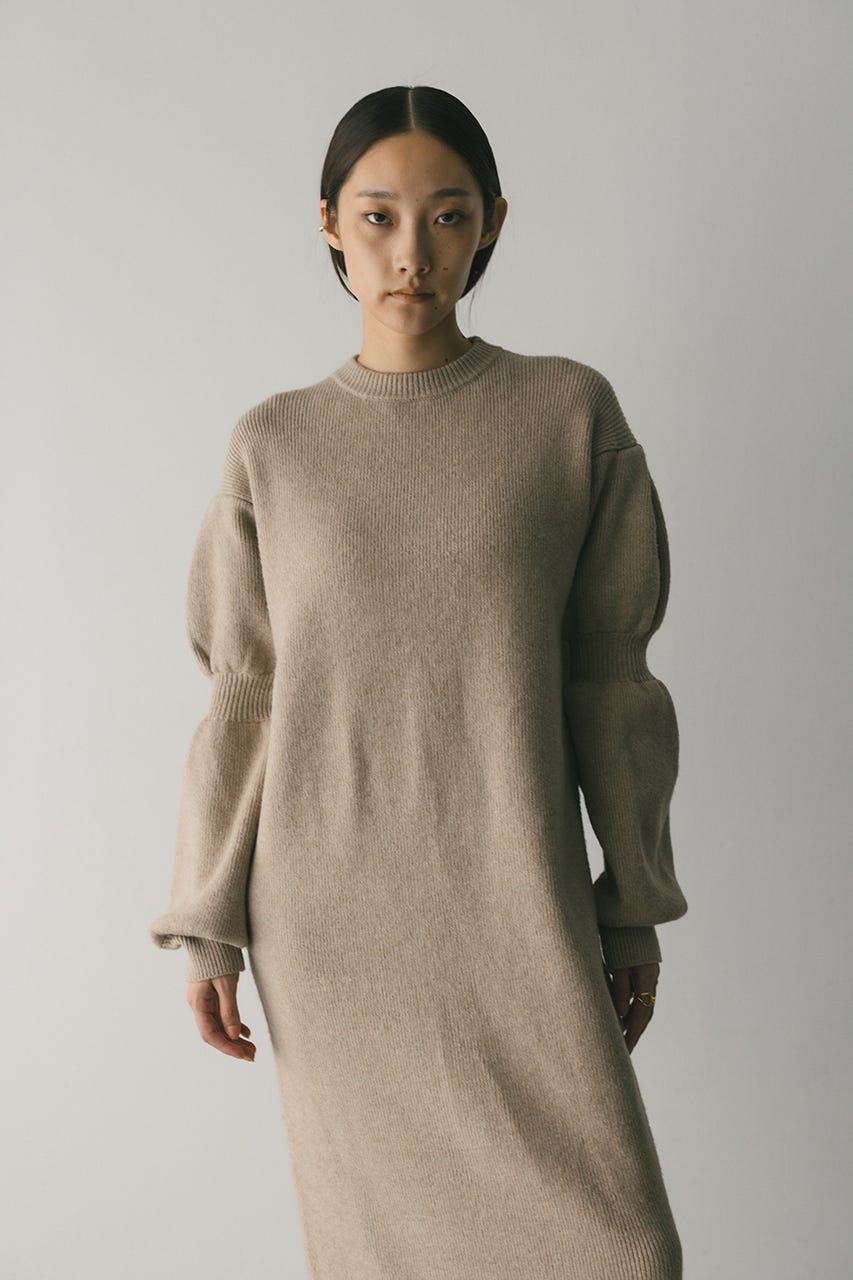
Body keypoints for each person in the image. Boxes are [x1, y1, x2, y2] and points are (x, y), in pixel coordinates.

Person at [150, 84, 688, 1280]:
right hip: (330, 920)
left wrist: (632, 896)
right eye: (379, 216)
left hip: (519, 897)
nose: (412, 252)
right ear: (329, 225)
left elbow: (611, 679)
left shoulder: (566, 415)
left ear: (491, 222)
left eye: (447, 216)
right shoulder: (274, 444)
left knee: (625, 1251)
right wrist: (207, 925)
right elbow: (245, 698)